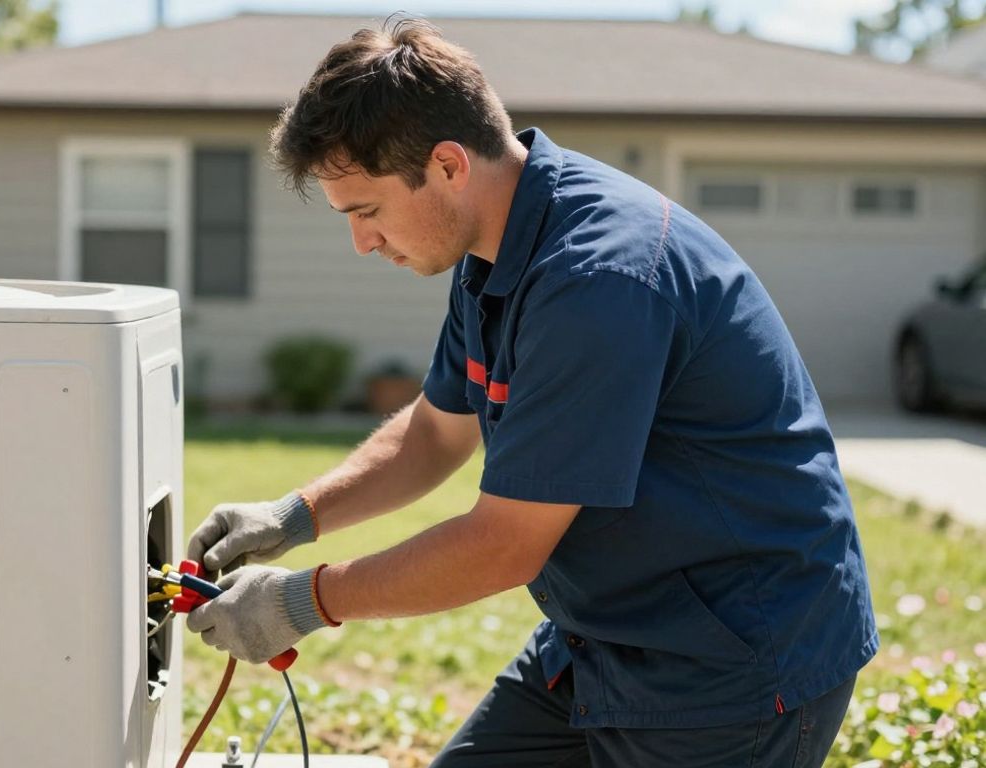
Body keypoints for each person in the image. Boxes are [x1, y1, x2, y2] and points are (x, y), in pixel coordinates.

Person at [183, 16, 877, 767]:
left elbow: (503, 544)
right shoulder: (492, 252)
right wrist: (294, 516)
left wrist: (302, 600)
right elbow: (434, 433)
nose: (362, 243)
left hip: (733, 666)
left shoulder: (599, 280)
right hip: (605, 642)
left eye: (368, 211)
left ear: (448, 164)